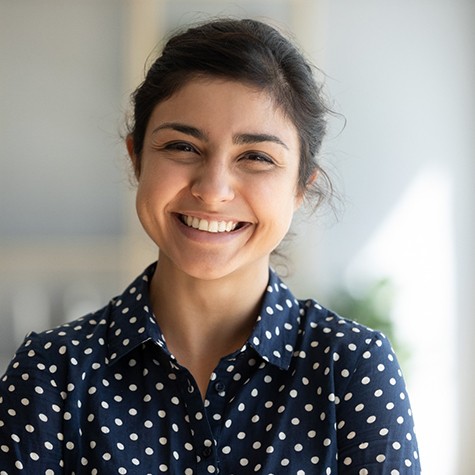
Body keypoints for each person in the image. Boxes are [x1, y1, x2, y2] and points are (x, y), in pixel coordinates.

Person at [0, 18, 420, 474]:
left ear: (301, 187)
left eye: (256, 157)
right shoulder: (51, 373)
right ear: (137, 157)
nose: (213, 189)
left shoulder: (352, 370)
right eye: (182, 147)